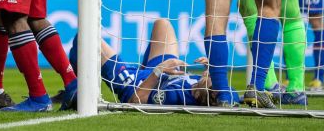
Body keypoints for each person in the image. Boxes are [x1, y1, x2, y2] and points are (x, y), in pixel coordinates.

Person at [68, 19, 239, 106]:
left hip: (135, 82)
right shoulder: (222, 93)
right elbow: (229, 96)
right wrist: (210, 68)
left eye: (212, 78)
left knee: (85, 37)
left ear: (206, 93)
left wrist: (157, 71)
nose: (214, 75)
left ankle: (73, 89)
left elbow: (135, 101)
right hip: (166, 72)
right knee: (162, 24)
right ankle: (146, 68)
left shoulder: (174, 96)